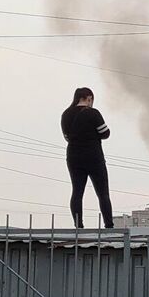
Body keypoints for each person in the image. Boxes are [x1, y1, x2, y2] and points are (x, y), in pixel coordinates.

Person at [61, 87, 114, 228]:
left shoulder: (65, 114)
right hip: (93, 156)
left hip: (73, 156)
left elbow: (67, 137)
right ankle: (109, 225)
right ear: (89, 98)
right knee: (102, 193)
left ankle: (78, 225)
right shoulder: (93, 113)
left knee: (77, 192)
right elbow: (105, 133)